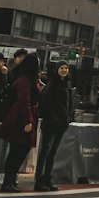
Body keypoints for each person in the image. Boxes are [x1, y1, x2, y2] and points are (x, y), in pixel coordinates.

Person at [0, 52, 40, 192]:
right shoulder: (25, 80)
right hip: (20, 119)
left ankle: (11, 179)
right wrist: (28, 121)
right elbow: (24, 101)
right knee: (18, 150)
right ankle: (8, 181)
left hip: (20, 117)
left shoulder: (25, 79)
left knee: (19, 150)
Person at [35, 61, 74, 191]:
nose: (64, 70)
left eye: (66, 68)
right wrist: (52, 117)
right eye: (62, 68)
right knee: (45, 152)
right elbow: (44, 103)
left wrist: (68, 118)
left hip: (61, 124)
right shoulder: (52, 84)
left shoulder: (67, 84)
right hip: (51, 123)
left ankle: (47, 179)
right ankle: (39, 181)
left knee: (52, 153)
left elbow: (68, 103)